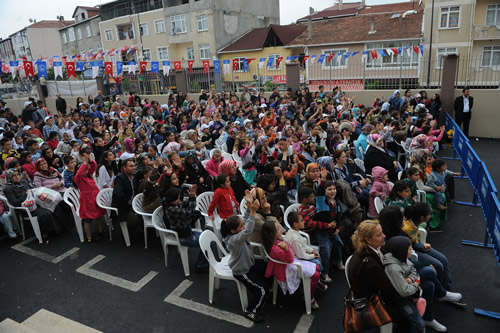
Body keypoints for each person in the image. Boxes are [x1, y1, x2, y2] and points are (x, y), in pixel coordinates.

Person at [348, 220, 410, 331]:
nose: (384, 236)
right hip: (372, 302)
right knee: (408, 319)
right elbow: (389, 289)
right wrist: (413, 289)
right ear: (368, 239)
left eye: (382, 232)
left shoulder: (374, 248)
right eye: (379, 234)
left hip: (379, 291)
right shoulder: (370, 265)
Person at [221, 191, 268, 323]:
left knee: (267, 267)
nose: (244, 225)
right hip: (242, 271)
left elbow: (245, 220)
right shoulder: (234, 240)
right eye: (241, 225)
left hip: (249, 264)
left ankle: (260, 295)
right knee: (262, 290)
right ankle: (251, 311)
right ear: (233, 231)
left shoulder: (236, 232)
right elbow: (248, 229)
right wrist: (253, 211)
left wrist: (248, 206)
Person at [262, 220, 321, 310]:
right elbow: (290, 259)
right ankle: (310, 298)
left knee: (317, 267)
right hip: (287, 267)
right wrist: (286, 249)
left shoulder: (274, 242)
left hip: (289, 263)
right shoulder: (276, 249)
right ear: (272, 234)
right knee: (316, 275)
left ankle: (309, 289)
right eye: (278, 229)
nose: (280, 231)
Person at [4, 169, 61, 243]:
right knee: (45, 213)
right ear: (9, 177)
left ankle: (58, 229)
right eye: (14, 176)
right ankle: (44, 234)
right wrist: (25, 194)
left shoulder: (23, 182)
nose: (17, 177)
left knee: (53, 205)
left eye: (18, 174)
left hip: (34, 202)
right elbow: (15, 203)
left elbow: (32, 189)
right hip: (25, 208)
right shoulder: (8, 189)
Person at [383, 236, 425, 333]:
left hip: (407, 293)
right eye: (410, 248)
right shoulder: (393, 269)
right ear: (403, 251)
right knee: (419, 324)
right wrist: (417, 283)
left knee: (430, 285)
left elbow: (414, 270)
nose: (412, 249)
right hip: (398, 300)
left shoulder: (402, 258)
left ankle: (428, 318)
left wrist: (410, 279)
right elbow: (405, 291)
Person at [164, 185, 208, 272]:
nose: (179, 200)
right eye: (177, 198)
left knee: (209, 239)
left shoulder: (174, 204)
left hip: (188, 231)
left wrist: (192, 196)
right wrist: (191, 198)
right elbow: (190, 212)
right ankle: (201, 265)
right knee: (208, 243)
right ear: (172, 199)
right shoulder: (171, 209)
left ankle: (203, 262)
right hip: (184, 237)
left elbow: (186, 204)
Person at [298, 186, 335, 283]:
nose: (313, 198)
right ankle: (323, 273)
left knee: (333, 241)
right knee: (325, 248)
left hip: (318, 231)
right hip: (310, 236)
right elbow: (312, 223)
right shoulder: (301, 212)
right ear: (305, 199)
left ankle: (331, 264)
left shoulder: (312, 208)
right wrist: (328, 225)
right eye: (311, 197)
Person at [73, 148, 106, 243]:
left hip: (95, 197)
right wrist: (84, 162)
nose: (86, 171)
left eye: (86, 169)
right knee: (88, 219)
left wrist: (90, 161)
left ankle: (101, 231)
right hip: (87, 200)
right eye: (84, 169)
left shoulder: (89, 175)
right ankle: (89, 236)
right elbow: (79, 173)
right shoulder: (78, 179)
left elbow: (94, 166)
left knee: (99, 215)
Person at [111, 159, 140, 230]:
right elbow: (119, 194)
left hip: (132, 204)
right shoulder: (120, 178)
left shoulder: (134, 176)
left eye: (134, 166)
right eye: (131, 166)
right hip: (124, 207)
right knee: (136, 220)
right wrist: (129, 206)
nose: (134, 168)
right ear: (124, 168)